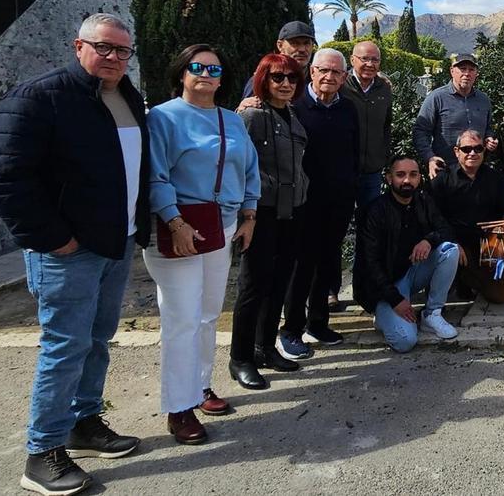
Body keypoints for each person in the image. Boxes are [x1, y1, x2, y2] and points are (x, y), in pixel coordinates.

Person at [0, 13, 147, 496]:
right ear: (79, 46)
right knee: (64, 347)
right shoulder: (40, 97)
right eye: (105, 48)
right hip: (67, 252)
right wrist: (53, 237)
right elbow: (3, 177)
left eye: (123, 51)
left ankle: (84, 423)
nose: (115, 57)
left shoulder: (126, 97)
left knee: (97, 339)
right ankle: (42, 452)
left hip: (115, 244)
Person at [144, 44, 259, 445]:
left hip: (221, 226)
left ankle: (201, 386)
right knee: (181, 318)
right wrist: (174, 221)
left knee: (209, 313)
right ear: (181, 72)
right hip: (179, 228)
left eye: (214, 69)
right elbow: (155, 175)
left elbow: (249, 170)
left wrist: (248, 216)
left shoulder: (232, 120)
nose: (206, 74)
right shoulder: (162, 117)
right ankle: (179, 408)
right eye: (197, 67)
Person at [229, 54, 310, 391]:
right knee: (253, 286)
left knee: (279, 282)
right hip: (260, 212)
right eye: (278, 78)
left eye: (291, 78)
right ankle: (241, 358)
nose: (286, 84)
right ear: (264, 79)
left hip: (291, 211)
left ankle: (264, 348)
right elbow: (237, 163)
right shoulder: (251, 115)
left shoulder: (290, 113)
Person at [277, 48, 360, 355]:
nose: (329, 77)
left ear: (344, 77)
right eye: (323, 70)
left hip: (337, 201)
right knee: (302, 265)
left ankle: (318, 324)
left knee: (327, 263)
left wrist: (350, 189)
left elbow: (353, 152)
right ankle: (292, 330)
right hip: (303, 203)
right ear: (311, 72)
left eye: (336, 72)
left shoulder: (348, 110)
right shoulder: (293, 107)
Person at [354, 156, 461, 352]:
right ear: (389, 178)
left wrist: (428, 240)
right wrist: (395, 300)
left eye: (413, 175)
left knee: (449, 250)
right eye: (400, 175)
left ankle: (431, 314)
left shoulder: (423, 200)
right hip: (385, 285)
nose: (406, 181)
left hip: (413, 272)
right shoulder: (376, 211)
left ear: (419, 178)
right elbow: (370, 264)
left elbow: (446, 229)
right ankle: (384, 314)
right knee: (404, 341)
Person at [430, 129, 504, 301]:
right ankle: (458, 277)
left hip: (487, 246)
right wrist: (453, 243)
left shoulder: (495, 178)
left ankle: (469, 278)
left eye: (478, 149)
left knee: (500, 296)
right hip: (454, 244)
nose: (473, 153)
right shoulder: (442, 181)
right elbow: (433, 218)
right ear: (457, 152)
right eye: (467, 149)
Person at [414, 52, 497, 178]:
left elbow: (489, 127)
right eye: (462, 69)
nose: (467, 74)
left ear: (476, 74)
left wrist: (489, 138)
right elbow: (420, 131)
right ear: (452, 71)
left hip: (477, 171)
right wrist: (429, 157)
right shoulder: (436, 98)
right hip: (446, 171)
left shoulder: (483, 100)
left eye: (471, 69)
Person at [346, 40, 393, 208]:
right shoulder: (340, 85)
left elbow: (386, 125)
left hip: (372, 170)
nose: (370, 64)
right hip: (344, 168)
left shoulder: (384, 88)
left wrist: (384, 156)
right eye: (364, 58)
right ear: (352, 60)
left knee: (369, 219)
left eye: (375, 60)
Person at [241, 20, 317, 97]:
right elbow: (247, 107)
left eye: (307, 43)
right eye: (295, 43)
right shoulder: (264, 77)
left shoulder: (318, 78)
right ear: (280, 45)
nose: (302, 49)